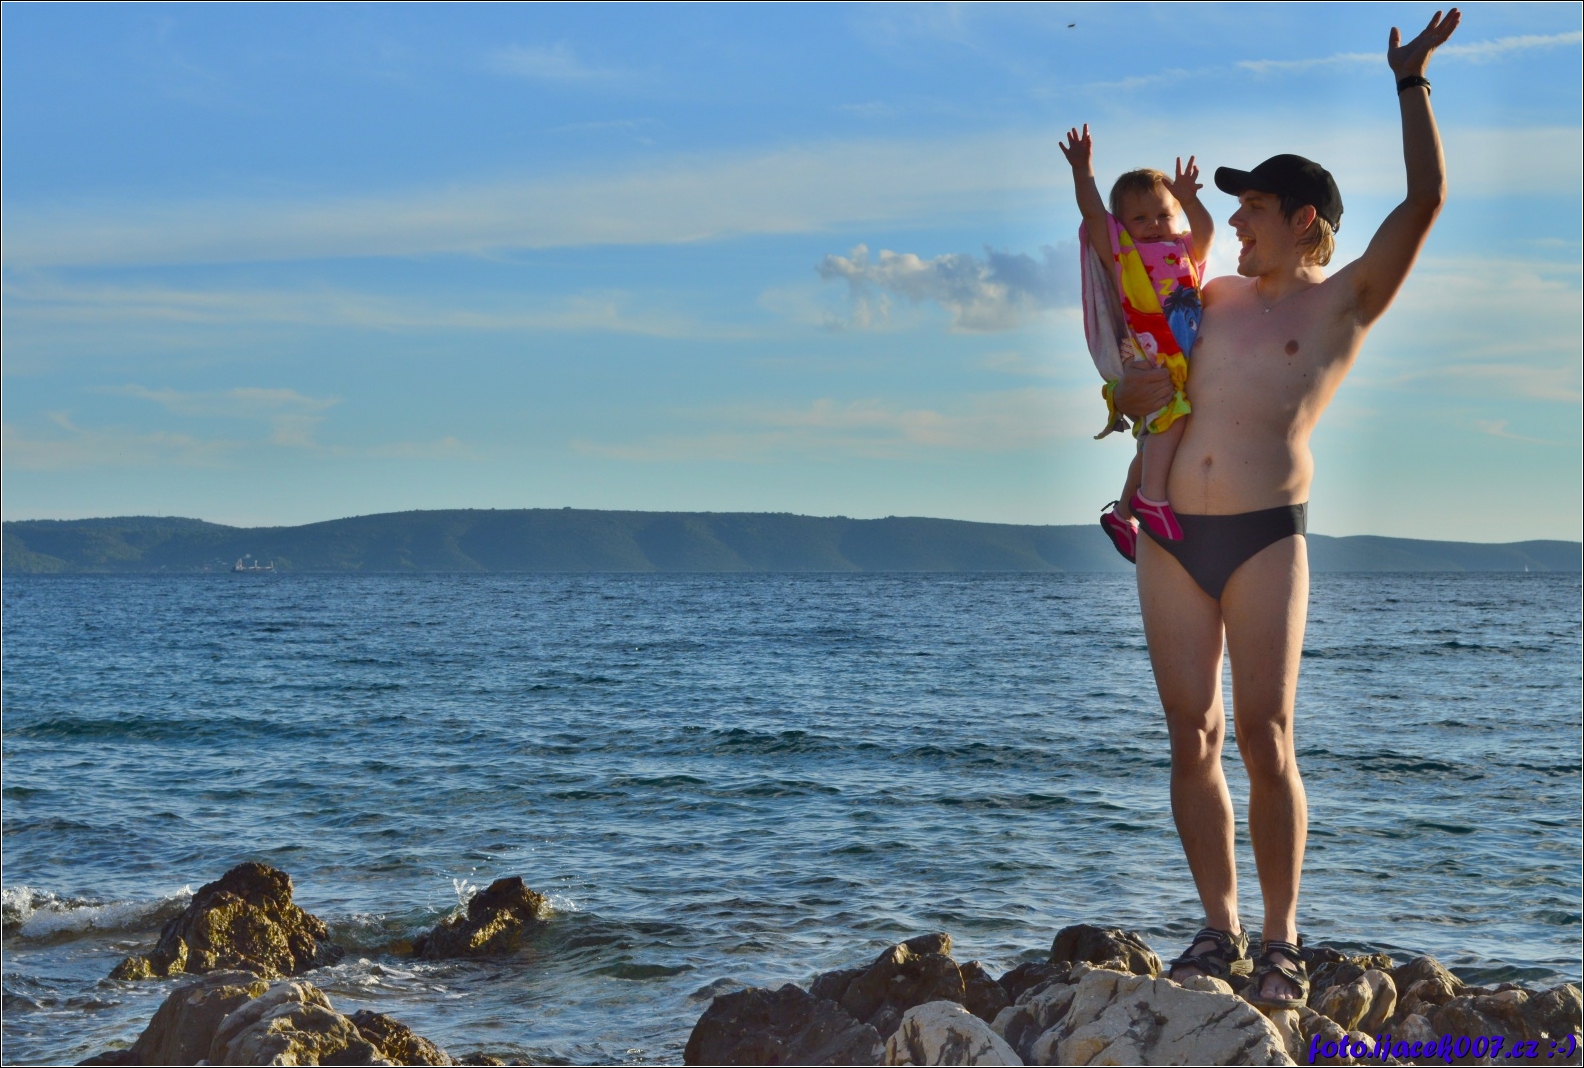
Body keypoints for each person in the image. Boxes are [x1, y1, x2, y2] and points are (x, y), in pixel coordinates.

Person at [1106, 9, 1461, 1007]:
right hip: (1172, 538)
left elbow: (1427, 199)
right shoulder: (1207, 297)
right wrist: (1128, 396)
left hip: (1266, 535)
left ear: (1304, 219)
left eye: (1253, 207)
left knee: (1265, 735)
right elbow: (1142, 383)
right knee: (1192, 735)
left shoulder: (1344, 301)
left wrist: (1410, 82)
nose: (1236, 223)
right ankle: (1216, 931)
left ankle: (1280, 939)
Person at [1059, 127, 1214, 558]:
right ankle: (1152, 499)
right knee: (1172, 419)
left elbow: (1206, 232)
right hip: (1148, 350)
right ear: (1123, 227)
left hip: (1179, 358)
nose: (1153, 225)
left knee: (1152, 439)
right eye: (1140, 219)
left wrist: (1191, 200)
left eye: (1163, 215)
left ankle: (1122, 513)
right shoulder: (1123, 254)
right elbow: (1093, 214)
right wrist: (1083, 171)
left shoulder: (1185, 249)